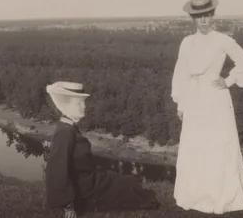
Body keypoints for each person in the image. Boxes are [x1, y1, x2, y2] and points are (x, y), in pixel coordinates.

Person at [169, 0, 243, 214]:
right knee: (196, 144)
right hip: (194, 99)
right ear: (193, 19)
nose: (204, 21)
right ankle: (196, 196)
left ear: (213, 15)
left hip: (216, 98)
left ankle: (222, 197)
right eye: (199, 17)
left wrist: (228, 80)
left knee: (218, 144)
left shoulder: (223, 40)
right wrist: (180, 103)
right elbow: (181, 73)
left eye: (207, 15)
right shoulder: (187, 42)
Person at [44, 81, 161, 217]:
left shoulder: (69, 127)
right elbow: (56, 171)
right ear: (66, 106)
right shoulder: (64, 132)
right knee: (126, 185)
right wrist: (67, 205)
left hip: (88, 180)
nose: (84, 106)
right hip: (84, 187)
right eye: (79, 103)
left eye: (83, 102)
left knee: (125, 180)